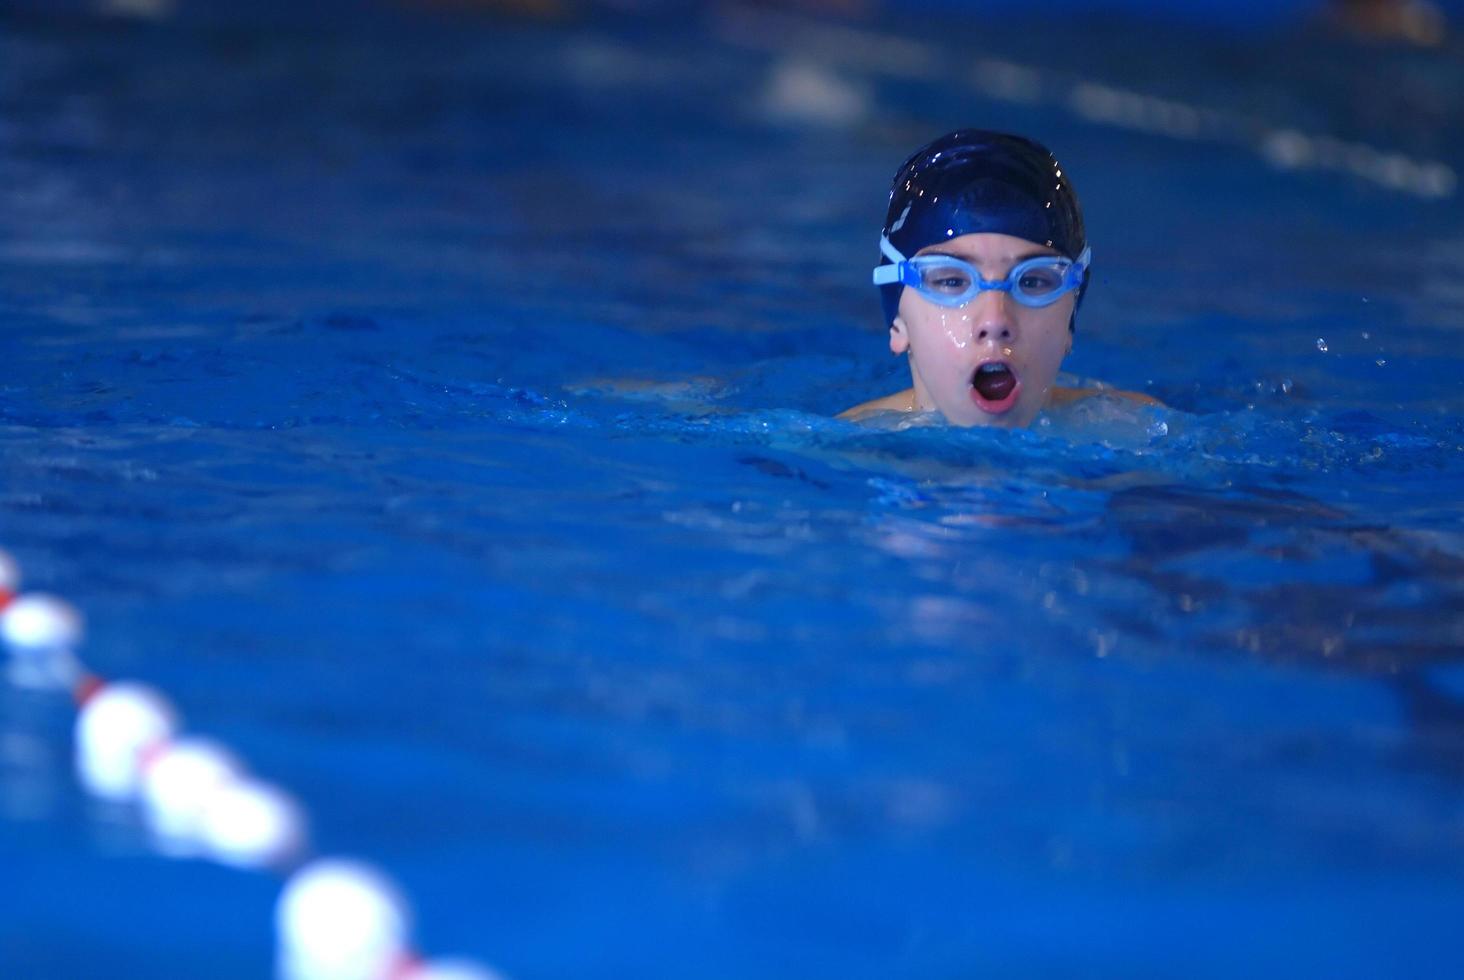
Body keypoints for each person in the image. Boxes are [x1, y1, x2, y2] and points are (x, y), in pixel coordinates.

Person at [840, 129, 1158, 427]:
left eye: (1033, 282)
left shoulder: (1141, 432)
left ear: (1070, 320)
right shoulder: (841, 454)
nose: (995, 321)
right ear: (898, 321)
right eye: (952, 281)